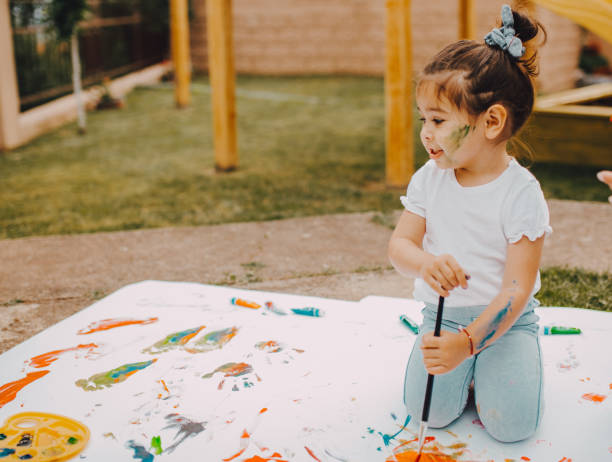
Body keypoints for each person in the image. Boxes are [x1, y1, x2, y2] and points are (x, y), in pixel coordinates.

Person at [388, 5, 551, 443]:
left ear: (492, 121)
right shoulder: (429, 178)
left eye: (439, 120)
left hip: (507, 323)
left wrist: (470, 345)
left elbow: (516, 291)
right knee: (430, 415)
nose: (426, 132)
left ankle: (497, 366)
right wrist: (424, 264)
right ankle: (473, 374)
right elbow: (400, 246)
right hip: (442, 317)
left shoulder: (521, 193)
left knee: (512, 427)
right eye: (424, 119)